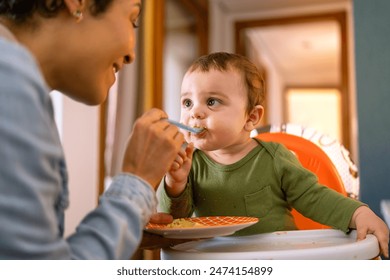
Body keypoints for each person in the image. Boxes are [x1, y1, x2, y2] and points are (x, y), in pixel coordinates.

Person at [0, 0, 185, 259]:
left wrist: (122, 227)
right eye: (133, 20)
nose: (132, 55)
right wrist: (138, 181)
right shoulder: (11, 81)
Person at [157, 52, 390, 258]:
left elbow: (314, 197)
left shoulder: (275, 158)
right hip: (217, 263)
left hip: (277, 260)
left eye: (212, 101)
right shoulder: (190, 163)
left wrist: (358, 213)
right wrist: (174, 184)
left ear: (251, 118)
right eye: (187, 102)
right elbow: (173, 225)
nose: (195, 112)